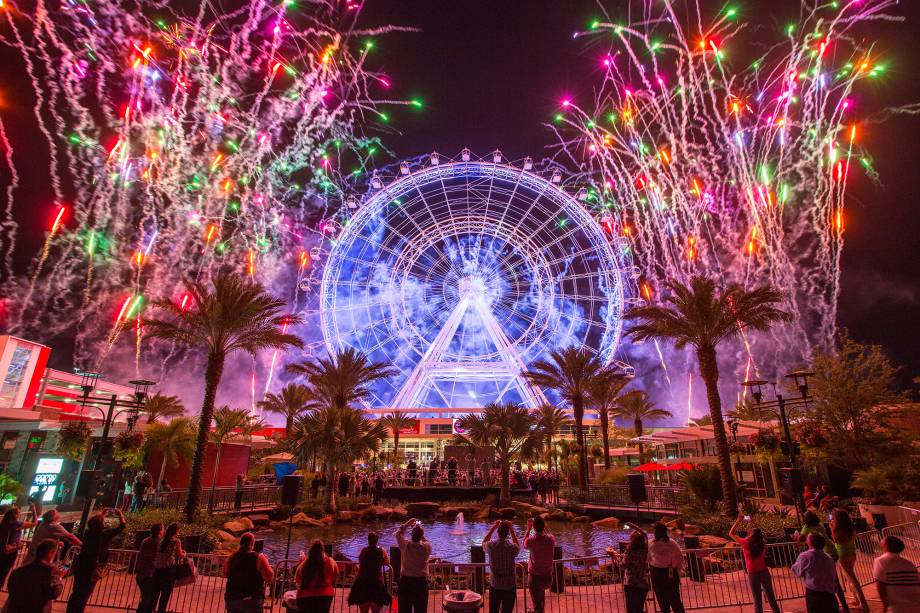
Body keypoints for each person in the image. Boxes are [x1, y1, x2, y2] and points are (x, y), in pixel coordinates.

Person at [66, 507, 126, 613]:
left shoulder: (88, 533)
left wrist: (101, 514)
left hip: (81, 565)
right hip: (92, 567)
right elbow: (122, 526)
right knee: (85, 594)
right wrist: (119, 513)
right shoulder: (104, 535)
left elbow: (95, 523)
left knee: (76, 592)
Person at [729, 515, 780, 613]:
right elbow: (757, 533)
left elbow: (731, 533)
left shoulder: (745, 543)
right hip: (764, 571)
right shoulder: (762, 543)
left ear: (751, 534)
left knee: (757, 601)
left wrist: (738, 521)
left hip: (753, 573)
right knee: (771, 598)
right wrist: (752, 523)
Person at [2, 539, 63, 613]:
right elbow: (54, 593)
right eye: (55, 553)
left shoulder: (18, 571)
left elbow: (11, 590)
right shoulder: (50, 570)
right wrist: (59, 578)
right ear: (50, 553)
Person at [829, 508, 870, 611]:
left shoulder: (838, 529)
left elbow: (836, 541)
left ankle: (864, 604)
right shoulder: (850, 527)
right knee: (849, 579)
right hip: (852, 553)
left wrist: (831, 528)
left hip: (843, 555)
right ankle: (857, 600)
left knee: (853, 580)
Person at [225, 532, 274, 613]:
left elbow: (226, 573)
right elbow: (269, 577)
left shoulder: (231, 558)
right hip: (251, 599)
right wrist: (267, 562)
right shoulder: (259, 557)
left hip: (232, 599)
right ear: (252, 543)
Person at [792, 532, 839, 612]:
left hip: (814, 595)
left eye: (808, 537)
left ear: (810, 542)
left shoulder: (805, 556)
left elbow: (796, 571)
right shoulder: (829, 558)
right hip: (830, 595)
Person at [482, 520, 521, 613]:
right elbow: (518, 547)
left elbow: (484, 542)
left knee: (493, 610)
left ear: (497, 532)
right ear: (507, 533)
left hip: (495, 584)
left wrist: (493, 527)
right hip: (509, 585)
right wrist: (511, 529)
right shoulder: (511, 547)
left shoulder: (491, 546)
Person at [874, 535, 920, 612]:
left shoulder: (880, 561)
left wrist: (885, 606)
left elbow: (880, 586)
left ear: (887, 545)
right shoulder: (909, 563)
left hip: (897, 607)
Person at [348, 531, 391, 613]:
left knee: (363, 611)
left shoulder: (363, 551)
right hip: (376, 583)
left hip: (363, 583)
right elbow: (387, 562)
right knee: (376, 611)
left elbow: (361, 565)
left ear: (368, 540)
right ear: (377, 540)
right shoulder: (381, 550)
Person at [648, 522, 685, 613]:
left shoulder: (651, 543)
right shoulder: (671, 543)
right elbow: (680, 557)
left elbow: (647, 558)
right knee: (674, 599)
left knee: (664, 600)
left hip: (658, 573)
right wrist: (677, 569)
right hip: (669, 571)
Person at [396, 518, 431, 613]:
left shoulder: (406, 545)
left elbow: (398, 534)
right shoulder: (426, 547)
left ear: (411, 534)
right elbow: (425, 540)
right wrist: (419, 530)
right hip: (421, 583)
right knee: (421, 610)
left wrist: (408, 523)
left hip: (406, 582)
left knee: (404, 609)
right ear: (421, 535)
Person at [0, 502, 37, 589]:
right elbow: (34, 523)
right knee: (4, 573)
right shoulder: (16, 524)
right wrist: (34, 509)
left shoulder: (3, 524)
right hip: (11, 551)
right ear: (15, 515)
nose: (20, 514)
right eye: (18, 513)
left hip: (2, 551)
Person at [149, 522, 184, 613]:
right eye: (178, 530)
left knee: (154, 595)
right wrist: (185, 554)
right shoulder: (176, 541)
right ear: (176, 531)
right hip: (168, 571)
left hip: (157, 571)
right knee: (164, 597)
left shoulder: (161, 540)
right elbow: (180, 555)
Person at [523, 516, 555, 613]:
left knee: (537, 605)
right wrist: (541, 526)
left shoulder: (531, 541)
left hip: (535, 578)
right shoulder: (551, 539)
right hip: (547, 578)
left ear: (534, 527)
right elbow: (546, 534)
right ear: (543, 526)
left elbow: (524, 543)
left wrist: (528, 528)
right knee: (540, 601)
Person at [296, 539, 338, 613]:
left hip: (305, 597)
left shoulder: (303, 565)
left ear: (310, 551)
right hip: (325, 596)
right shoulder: (330, 561)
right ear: (323, 550)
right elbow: (336, 575)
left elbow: (297, 579)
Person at [615, 526, 650, 613]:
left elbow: (623, 565)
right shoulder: (646, 550)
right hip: (643, 583)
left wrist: (614, 557)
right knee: (639, 608)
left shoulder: (630, 551)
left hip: (631, 583)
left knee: (631, 609)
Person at [135, 522, 162, 613]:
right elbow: (156, 559)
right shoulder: (158, 542)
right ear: (160, 531)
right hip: (150, 575)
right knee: (149, 600)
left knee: (145, 598)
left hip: (141, 574)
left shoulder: (145, 540)